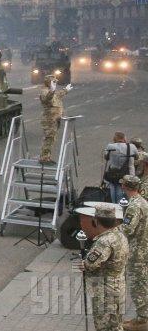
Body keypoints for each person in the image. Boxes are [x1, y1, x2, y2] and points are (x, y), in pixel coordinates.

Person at [75, 202, 130, 331]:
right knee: (116, 326)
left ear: (95, 221)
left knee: (104, 327)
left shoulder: (104, 242)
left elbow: (89, 264)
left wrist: (82, 263)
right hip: (118, 285)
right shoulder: (120, 235)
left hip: (105, 291)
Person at [122, 175, 148, 331]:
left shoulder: (134, 206)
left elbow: (128, 229)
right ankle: (142, 316)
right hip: (144, 249)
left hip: (137, 252)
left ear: (125, 187)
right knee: (143, 282)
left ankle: (143, 320)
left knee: (137, 284)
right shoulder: (143, 202)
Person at [38, 76, 71, 163]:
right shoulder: (45, 91)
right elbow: (47, 98)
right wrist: (52, 90)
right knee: (49, 138)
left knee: (51, 139)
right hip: (49, 119)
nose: (55, 84)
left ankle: (47, 157)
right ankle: (44, 158)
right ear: (48, 82)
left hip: (54, 119)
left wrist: (65, 90)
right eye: (53, 82)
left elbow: (57, 96)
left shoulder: (51, 91)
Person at [105, 132, 138, 204]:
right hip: (128, 175)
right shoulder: (131, 146)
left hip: (113, 174)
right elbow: (137, 157)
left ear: (114, 139)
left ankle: (115, 205)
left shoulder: (110, 146)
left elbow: (106, 157)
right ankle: (123, 209)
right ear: (124, 138)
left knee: (113, 189)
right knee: (126, 192)